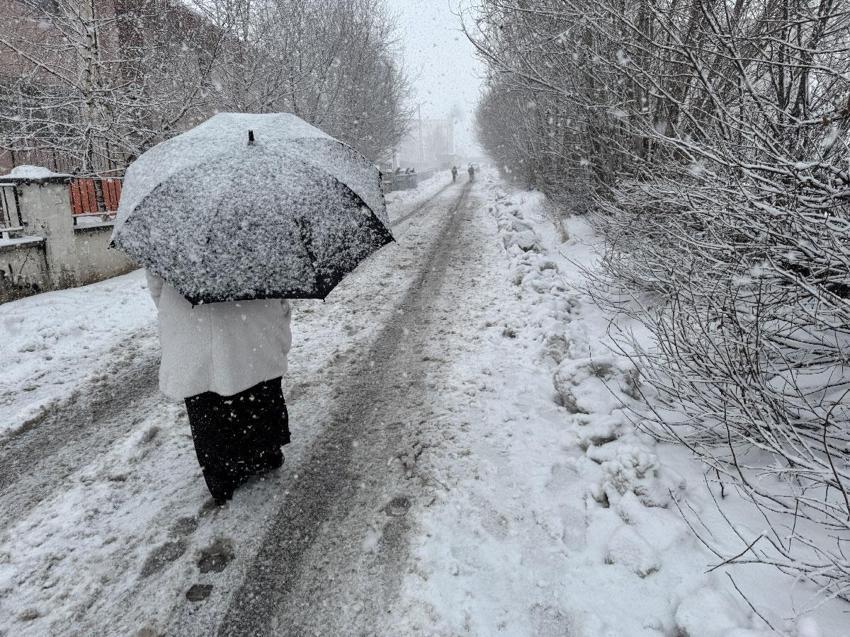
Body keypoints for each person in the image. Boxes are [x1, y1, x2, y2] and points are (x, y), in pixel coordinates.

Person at [146, 271, 292, 504]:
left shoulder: (167, 239)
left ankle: (221, 477)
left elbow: (156, 284)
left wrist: (179, 309)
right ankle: (263, 453)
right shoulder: (256, 239)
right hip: (252, 314)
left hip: (189, 319)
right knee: (257, 390)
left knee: (205, 408)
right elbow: (278, 278)